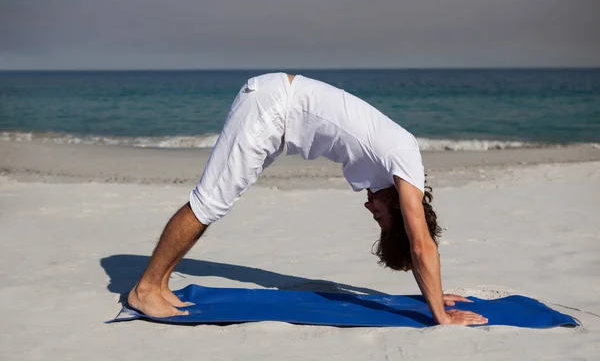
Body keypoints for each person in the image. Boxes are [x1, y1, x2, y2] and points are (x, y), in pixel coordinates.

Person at [128, 73, 488, 325]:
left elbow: (416, 240)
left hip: (276, 111)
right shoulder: (405, 160)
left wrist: (434, 295)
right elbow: (420, 243)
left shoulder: (395, 171)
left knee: (215, 201)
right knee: (210, 202)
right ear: (397, 206)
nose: (369, 208)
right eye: (379, 217)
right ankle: (146, 289)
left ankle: (158, 285)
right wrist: (440, 316)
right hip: (272, 108)